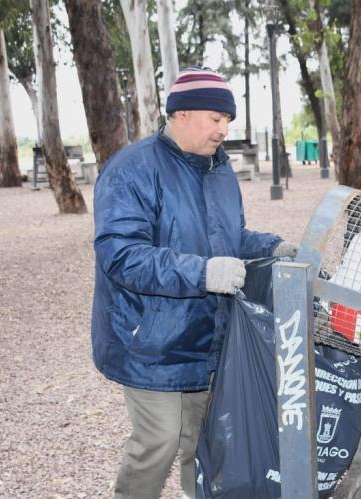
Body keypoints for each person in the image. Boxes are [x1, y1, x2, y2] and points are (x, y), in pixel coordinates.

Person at [92, 67, 297, 499]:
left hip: (207, 336)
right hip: (148, 339)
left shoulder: (218, 168)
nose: (224, 130)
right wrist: (202, 273)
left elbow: (229, 237)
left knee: (202, 444)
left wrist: (270, 247)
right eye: (216, 118)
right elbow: (120, 255)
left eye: (227, 121)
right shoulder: (131, 169)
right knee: (159, 441)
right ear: (180, 113)